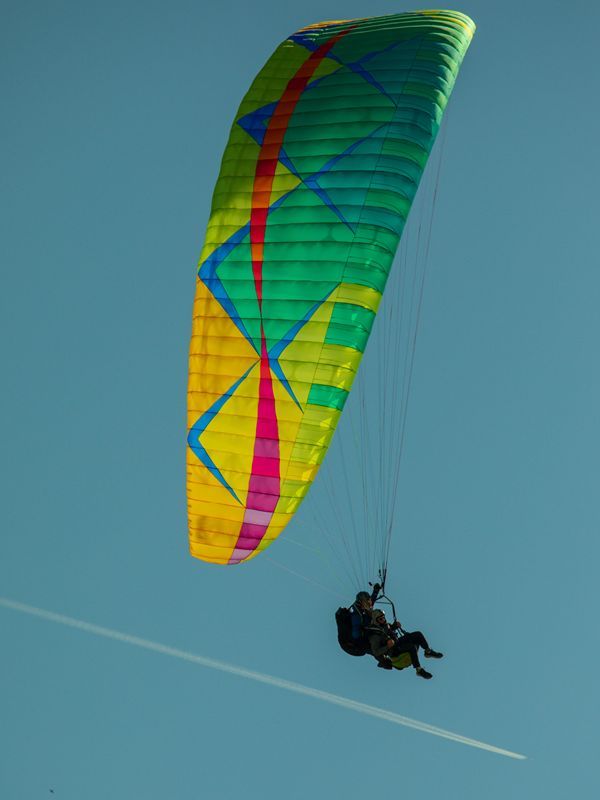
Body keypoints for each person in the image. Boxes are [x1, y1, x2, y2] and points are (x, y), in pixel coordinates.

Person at [368, 608, 443, 679]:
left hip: (398, 642)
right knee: (412, 647)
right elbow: (376, 652)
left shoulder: (386, 625)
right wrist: (388, 646)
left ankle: (428, 651)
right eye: (380, 619)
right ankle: (419, 670)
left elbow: (390, 629)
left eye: (383, 617)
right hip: (393, 651)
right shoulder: (375, 637)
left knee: (418, 634)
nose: (383, 620)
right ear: (375, 620)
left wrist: (396, 626)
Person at [348, 585, 392, 669]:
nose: (368, 602)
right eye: (366, 600)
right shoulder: (358, 615)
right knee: (375, 650)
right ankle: (383, 661)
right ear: (361, 602)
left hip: (371, 632)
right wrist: (360, 630)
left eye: (368, 599)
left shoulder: (367, 608)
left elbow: (372, 601)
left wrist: (375, 592)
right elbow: (355, 634)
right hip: (362, 639)